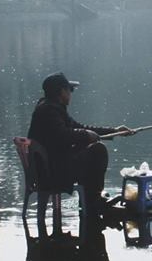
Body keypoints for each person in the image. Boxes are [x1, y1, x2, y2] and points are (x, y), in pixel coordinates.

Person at [27, 72, 134, 218]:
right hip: (51, 173)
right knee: (98, 150)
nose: (71, 94)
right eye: (69, 90)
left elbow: (78, 128)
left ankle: (92, 200)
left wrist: (114, 131)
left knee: (90, 148)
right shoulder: (49, 111)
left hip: (51, 168)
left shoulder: (51, 108)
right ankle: (93, 201)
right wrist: (86, 135)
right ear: (61, 91)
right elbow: (63, 135)